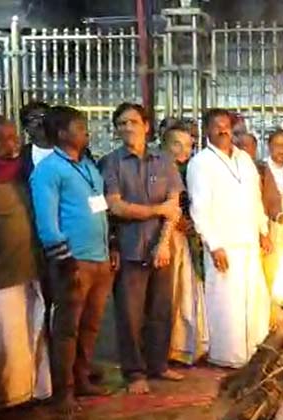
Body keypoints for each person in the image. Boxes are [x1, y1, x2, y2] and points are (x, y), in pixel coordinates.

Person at [30, 106, 115, 413]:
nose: (87, 132)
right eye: (81, 127)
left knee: (90, 325)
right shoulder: (49, 170)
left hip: (100, 258)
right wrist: (65, 262)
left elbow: (100, 208)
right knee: (67, 329)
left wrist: (111, 248)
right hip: (73, 261)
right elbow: (46, 222)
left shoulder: (88, 166)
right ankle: (62, 393)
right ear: (63, 133)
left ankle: (81, 379)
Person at [100, 103, 185, 395]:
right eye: (121, 123)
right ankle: (135, 373)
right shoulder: (111, 162)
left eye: (133, 122)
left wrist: (163, 244)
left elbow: (174, 208)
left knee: (161, 309)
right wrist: (155, 210)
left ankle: (158, 365)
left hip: (162, 248)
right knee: (129, 315)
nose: (127, 128)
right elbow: (115, 206)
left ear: (146, 126)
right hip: (129, 249)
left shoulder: (164, 161)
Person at [187, 108, 272, 368]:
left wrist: (263, 231)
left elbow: (256, 198)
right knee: (227, 303)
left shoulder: (244, 159)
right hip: (224, 245)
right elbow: (199, 208)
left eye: (227, 126)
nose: (223, 130)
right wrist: (214, 245)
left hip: (248, 241)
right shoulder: (200, 163)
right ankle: (228, 356)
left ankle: (256, 353)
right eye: (217, 126)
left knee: (254, 300)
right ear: (207, 131)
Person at [0, 114, 51, 409]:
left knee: (33, 335)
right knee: (5, 345)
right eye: (7, 138)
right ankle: (9, 400)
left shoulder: (22, 171)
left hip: (32, 270)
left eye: (15, 135)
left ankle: (35, 392)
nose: (16, 143)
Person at [161, 123, 209, 366]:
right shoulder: (158, 167)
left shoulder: (192, 169)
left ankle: (185, 347)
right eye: (177, 144)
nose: (184, 150)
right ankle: (166, 349)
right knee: (169, 295)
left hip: (187, 239)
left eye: (188, 145)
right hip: (165, 237)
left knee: (187, 292)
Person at [260, 129, 283, 292]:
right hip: (270, 229)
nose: (281, 150)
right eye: (277, 145)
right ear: (269, 146)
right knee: (272, 276)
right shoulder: (260, 170)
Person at [19, 101, 53, 181]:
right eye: (33, 119)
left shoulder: (70, 151)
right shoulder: (21, 156)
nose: (40, 122)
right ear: (25, 127)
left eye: (44, 117)